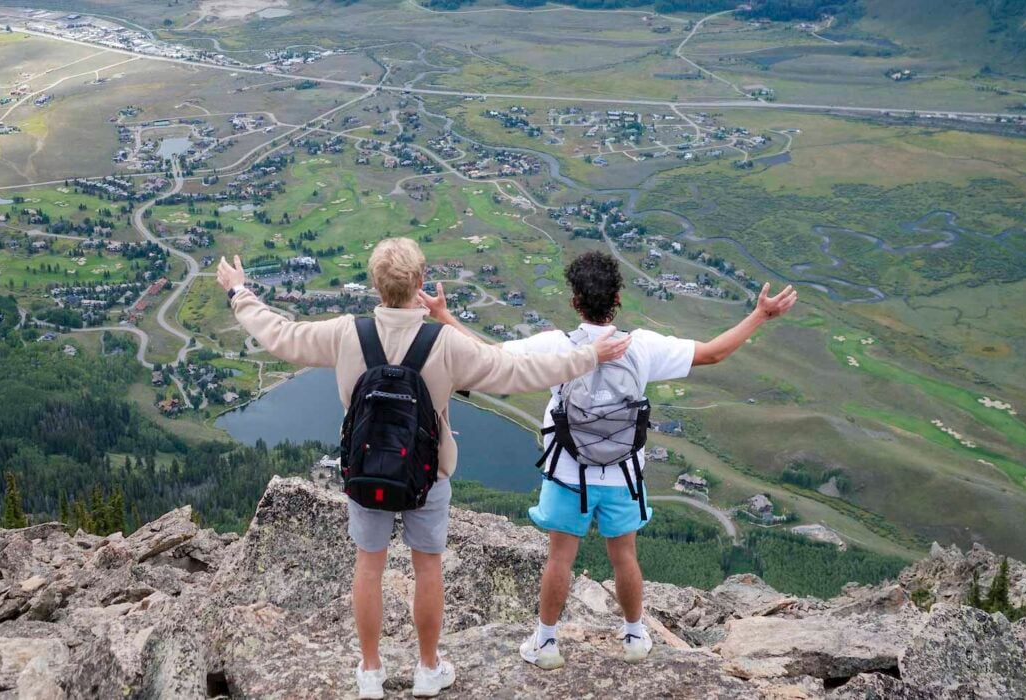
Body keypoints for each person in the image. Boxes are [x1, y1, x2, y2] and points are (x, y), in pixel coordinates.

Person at [216, 239, 632, 699]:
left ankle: (370, 672)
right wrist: (590, 356)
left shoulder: (346, 333)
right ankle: (427, 670)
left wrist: (240, 292)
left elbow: (280, 335)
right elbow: (518, 371)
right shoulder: (446, 343)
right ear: (419, 282)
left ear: (376, 285)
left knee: (369, 567)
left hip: (366, 471)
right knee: (427, 568)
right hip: (426, 475)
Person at [422, 250, 797, 669]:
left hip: (567, 473)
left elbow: (489, 358)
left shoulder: (555, 346)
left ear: (575, 302)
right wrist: (760, 316)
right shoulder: (642, 348)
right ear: (617, 297)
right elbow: (712, 353)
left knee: (560, 558)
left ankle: (546, 643)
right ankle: (635, 635)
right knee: (625, 556)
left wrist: (444, 317)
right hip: (624, 475)